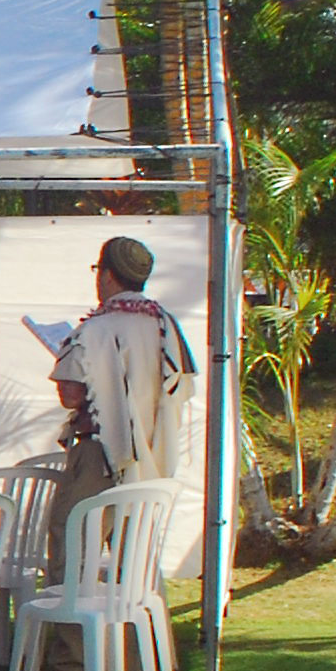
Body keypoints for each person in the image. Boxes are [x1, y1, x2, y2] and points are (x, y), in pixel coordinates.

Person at [46, 234, 196, 572]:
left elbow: (71, 395)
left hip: (101, 452)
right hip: (153, 452)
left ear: (108, 275)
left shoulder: (96, 329)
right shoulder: (165, 325)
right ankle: (137, 609)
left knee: (73, 544)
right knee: (136, 560)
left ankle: (72, 609)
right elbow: (181, 385)